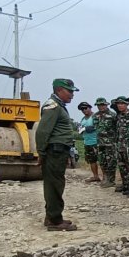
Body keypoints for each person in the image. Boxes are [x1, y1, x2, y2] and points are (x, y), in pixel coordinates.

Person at [35, 78, 80, 231]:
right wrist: (41, 152)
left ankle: (52, 216)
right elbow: (42, 131)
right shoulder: (53, 106)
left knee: (55, 184)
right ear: (59, 90)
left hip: (59, 151)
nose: (72, 95)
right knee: (54, 185)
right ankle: (55, 220)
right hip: (54, 151)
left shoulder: (59, 106)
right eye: (70, 91)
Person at [93, 98, 118, 187]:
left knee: (111, 161)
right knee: (102, 161)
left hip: (110, 143)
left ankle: (111, 180)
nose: (101, 107)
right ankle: (105, 178)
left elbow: (117, 128)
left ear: (106, 105)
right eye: (99, 105)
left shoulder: (113, 115)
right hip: (100, 142)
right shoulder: (95, 116)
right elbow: (96, 128)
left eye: (103, 105)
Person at [112, 97, 129, 194]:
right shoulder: (118, 116)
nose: (120, 105)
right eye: (118, 104)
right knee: (122, 166)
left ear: (126, 104)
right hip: (119, 145)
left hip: (128, 146)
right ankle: (125, 185)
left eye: (122, 103)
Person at [77, 101, 100, 182]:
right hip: (87, 142)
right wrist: (80, 129)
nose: (84, 110)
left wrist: (86, 128)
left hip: (96, 142)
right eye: (82, 109)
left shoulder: (95, 116)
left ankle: (105, 178)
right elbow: (80, 128)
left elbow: (96, 127)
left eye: (86, 108)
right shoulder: (83, 119)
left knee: (102, 161)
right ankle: (95, 176)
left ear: (90, 108)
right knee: (92, 160)